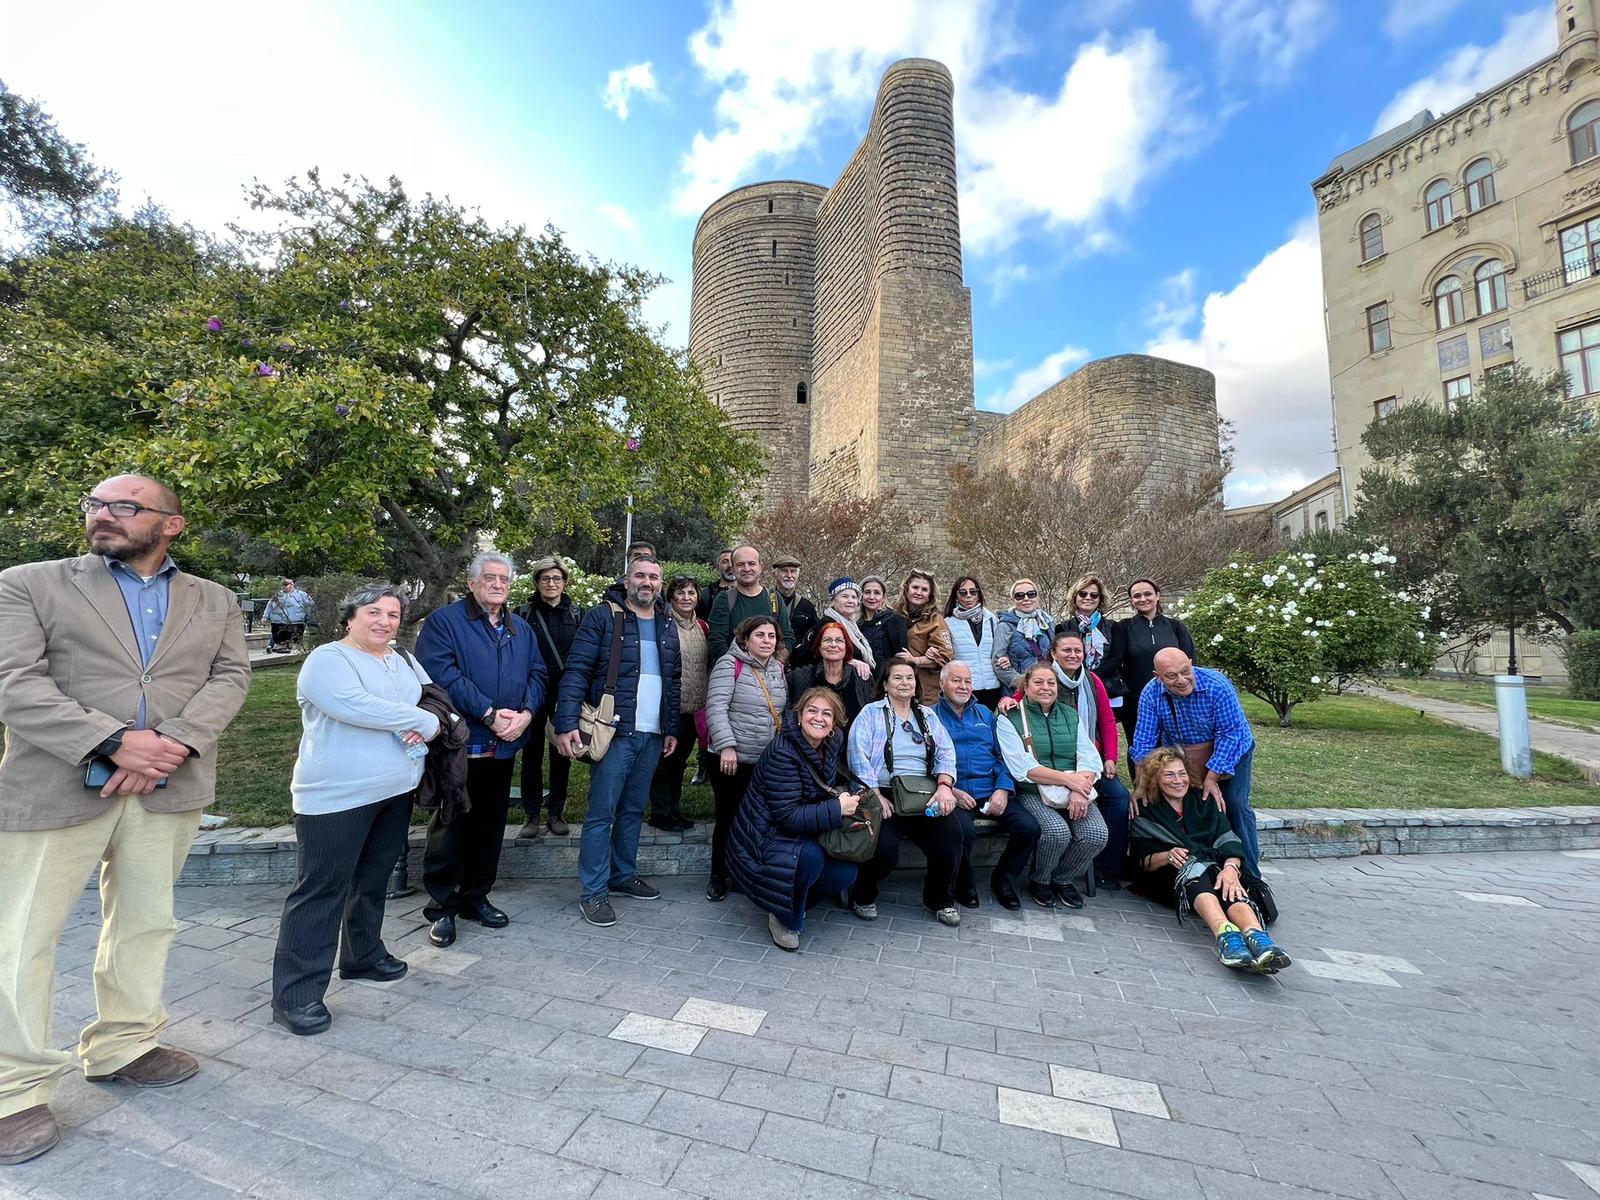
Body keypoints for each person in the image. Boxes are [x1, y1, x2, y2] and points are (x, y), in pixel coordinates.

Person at [0, 475, 250, 1165]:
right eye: (96, 504)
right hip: (53, 785)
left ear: (171, 524)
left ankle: (124, 1044)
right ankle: (13, 1091)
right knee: (22, 937)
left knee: (146, 922)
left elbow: (230, 677)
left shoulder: (216, 599)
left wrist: (170, 744)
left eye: (125, 506)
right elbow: (12, 682)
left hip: (169, 783)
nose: (103, 515)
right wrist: (111, 741)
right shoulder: (28, 583)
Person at [271, 585, 440, 1036]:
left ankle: (363, 956)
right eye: (374, 612)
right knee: (321, 890)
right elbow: (355, 706)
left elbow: (426, 695)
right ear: (350, 617)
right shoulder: (328, 660)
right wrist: (421, 722)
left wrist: (422, 717)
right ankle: (297, 996)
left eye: (393, 614)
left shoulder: (401, 658)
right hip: (337, 797)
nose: (384, 621)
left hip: (395, 789)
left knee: (372, 879)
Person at [415, 553, 548, 948]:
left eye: (504, 579)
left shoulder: (520, 627)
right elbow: (442, 675)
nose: (497, 584)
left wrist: (526, 714)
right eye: (489, 577)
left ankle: (476, 897)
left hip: (503, 745)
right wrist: (489, 714)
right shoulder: (445, 622)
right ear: (471, 583)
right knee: (452, 823)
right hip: (460, 745)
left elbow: (538, 673)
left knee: (490, 823)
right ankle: (442, 907)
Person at [554, 556, 680, 928]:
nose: (647, 582)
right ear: (626, 581)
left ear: (660, 584)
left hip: (652, 735)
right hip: (614, 731)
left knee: (633, 810)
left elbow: (673, 680)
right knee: (601, 814)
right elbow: (576, 670)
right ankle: (593, 892)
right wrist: (565, 723)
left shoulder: (666, 622)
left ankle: (622, 875)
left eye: (654, 577)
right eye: (640, 575)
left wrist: (671, 727)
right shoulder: (603, 618)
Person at [1127, 748, 1290, 973]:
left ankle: (1257, 937)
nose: (1178, 781)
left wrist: (1231, 869)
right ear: (1155, 778)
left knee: (1224, 879)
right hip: (1170, 879)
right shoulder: (1146, 808)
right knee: (1194, 868)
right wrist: (1167, 856)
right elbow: (1140, 862)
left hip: (1215, 871)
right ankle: (1225, 936)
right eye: (1169, 775)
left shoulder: (1203, 799)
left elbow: (1228, 840)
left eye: (1182, 773)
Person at [727, 689, 863, 951]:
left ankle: (792, 899)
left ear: (834, 722)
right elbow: (787, 816)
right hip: (765, 835)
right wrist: (837, 808)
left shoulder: (832, 741)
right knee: (810, 858)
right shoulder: (782, 752)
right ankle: (783, 917)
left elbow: (824, 784)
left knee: (845, 873)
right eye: (812, 711)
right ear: (799, 716)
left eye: (827, 714)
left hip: (804, 825)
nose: (819, 718)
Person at [846, 655, 964, 926]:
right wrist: (875, 795)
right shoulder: (871, 713)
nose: (904, 682)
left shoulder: (927, 715)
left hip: (924, 792)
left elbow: (946, 752)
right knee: (884, 849)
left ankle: (938, 900)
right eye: (897, 677)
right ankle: (862, 894)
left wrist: (945, 786)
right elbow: (857, 755)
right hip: (883, 792)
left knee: (951, 836)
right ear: (885, 684)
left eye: (910, 677)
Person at [1130, 649, 1261, 877]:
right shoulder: (1151, 693)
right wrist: (1141, 784)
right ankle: (1200, 867)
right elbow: (1143, 742)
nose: (1181, 680)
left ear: (1191, 663)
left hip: (1231, 751)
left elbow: (1229, 735)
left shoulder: (1217, 685)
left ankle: (1250, 874)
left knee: (1234, 804)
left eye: (1185, 671)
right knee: (1191, 806)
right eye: (1172, 676)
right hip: (1185, 756)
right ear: (1157, 676)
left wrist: (1212, 778)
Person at [995, 663, 1109, 910]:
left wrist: (1079, 789)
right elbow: (1022, 768)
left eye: (1051, 683)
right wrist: (1069, 780)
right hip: (1033, 791)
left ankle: (1063, 878)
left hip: (1075, 789)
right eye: (1038, 682)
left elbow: (1089, 758)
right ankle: (1041, 879)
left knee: (1097, 834)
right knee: (1056, 832)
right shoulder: (1010, 718)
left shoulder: (1070, 715)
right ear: (1025, 687)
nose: (1045, 687)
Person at [934, 663, 1039, 911]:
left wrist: (1002, 789)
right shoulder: (931, 716)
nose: (963, 686)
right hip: (955, 791)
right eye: (956, 680)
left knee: (1029, 828)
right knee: (962, 832)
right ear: (942, 684)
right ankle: (965, 882)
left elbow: (1004, 756)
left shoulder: (984, 714)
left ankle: (1003, 879)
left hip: (991, 790)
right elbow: (926, 762)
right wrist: (950, 790)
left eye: (968, 681)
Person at [704, 615, 788, 901]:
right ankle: (718, 875)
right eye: (760, 635)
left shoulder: (777, 668)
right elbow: (716, 706)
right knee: (727, 817)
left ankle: (742, 872)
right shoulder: (729, 664)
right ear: (745, 639)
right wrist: (727, 746)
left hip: (764, 760)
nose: (767, 641)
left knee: (755, 819)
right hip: (732, 760)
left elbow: (781, 711)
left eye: (771, 636)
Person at [1046, 630, 1131, 891]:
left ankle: (1106, 866)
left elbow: (1106, 719)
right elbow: (1020, 702)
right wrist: (1008, 700)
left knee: (1118, 797)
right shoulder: (1044, 678)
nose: (1073, 655)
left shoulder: (1092, 681)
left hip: (1090, 760)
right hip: (1055, 762)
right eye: (1066, 650)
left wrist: (1110, 758)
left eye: (1077, 651)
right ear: (1053, 654)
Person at [516, 556, 578, 838]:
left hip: (564, 692)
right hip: (532, 690)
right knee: (531, 755)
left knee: (561, 753)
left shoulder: (577, 614)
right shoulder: (522, 614)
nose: (551, 583)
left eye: (556, 578)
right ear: (537, 582)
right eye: (545, 579)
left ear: (564, 582)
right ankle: (531, 814)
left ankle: (556, 812)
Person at [647, 575, 706, 832]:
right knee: (666, 761)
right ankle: (660, 812)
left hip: (694, 707)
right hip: (671, 706)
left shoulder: (702, 627)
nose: (686, 598)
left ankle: (673, 809)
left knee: (680, 760)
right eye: (680, 593)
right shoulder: (663, 624)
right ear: (671, 596)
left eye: (691, 593)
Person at [1109, 578, 1194, 750]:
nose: (1143, 599)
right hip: (1136, 701)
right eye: (1137, 596)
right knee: (1140, 748)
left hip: (1173, 697)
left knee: (1174, 749)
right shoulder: (1123, 627)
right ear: (1131, 600)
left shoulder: (1175, 627)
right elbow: (1116, 660)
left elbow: (1191, 662)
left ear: (1157, 596)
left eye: (1147, 594)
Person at [707, 544, 794, 663]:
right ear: (733, 569)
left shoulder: (774, 598)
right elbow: (716, 641)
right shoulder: (725, 599)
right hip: (735, 671)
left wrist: (775, 664)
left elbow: (787, 637)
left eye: (752, 563)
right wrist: (740, 669)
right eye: (740, 564)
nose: (747, 569)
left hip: (769, 670)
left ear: (760, 567)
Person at [786, 621, 872, 727]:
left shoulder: (862, 677)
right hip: (813, 736)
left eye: (839, 640)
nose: (833, 645)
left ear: (846, 647)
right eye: (827, 640)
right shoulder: (800, 676)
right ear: (819, 647)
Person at [1057, 574, 1123, 711]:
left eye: (1094, 595)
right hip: (1073, 686)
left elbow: (1117, 657)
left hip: (1107, 687)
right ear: (1075, 597)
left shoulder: (1113, 627)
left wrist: (1095, 676)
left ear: (1100, 599)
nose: (1088, 598)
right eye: (1083, 594)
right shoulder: (1062, 628)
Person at [942, 576, 1005, 709]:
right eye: (963, 592)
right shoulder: (948, 623)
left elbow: (1000, 649)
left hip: (992, 685)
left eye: (973, 592)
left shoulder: (991, 619)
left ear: (978, 594)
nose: (968, 596)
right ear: (956, 596)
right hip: (965, 687)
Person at [896, 570, 953, 705]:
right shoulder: (895, 615)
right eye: (915, 587)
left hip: (926, 690)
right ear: (906, 589)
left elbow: (945, 656)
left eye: (924, 589)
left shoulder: (935, 620)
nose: (919, 592)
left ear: (930, 595)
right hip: (899, 687)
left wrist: (916, 660)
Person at [995, 578, 1054, 690]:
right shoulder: (1005, 626)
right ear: (1013, 600)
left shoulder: (1047, 622)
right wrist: (1022, 682)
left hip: (1048, 685)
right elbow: (998, 663)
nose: (1026, 599)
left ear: (1037, 597)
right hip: (1021, 688)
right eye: (1020, 596)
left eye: (1031, 594)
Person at [771, 553, 817, 657]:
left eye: (793, 571)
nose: (789, 575)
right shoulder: (766, 600)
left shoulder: (807, 606)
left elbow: (815, 634)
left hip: (798, 662)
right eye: (784, 571)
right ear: (775, 574)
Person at [858, 575, 908, 665]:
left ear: (883, 597)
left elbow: (901, 656)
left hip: (886, 672)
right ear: (861, 596)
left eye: (877, 593)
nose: (871, 597)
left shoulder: (894, 620)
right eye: (867, 592)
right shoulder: (857, 624)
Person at [262, 576, 314, 653]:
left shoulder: (302, 595)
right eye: (282, 584)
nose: (284, 586)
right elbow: (269, 606)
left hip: (295, 623)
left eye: (286, 584)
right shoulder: (277, 595)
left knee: (295, 644)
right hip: (278, 623)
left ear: (292, 585)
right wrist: (265, 617)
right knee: (279, 644)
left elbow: (311, 605)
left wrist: (309, 617)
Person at [697, 547, 734, 620]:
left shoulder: (748, 592)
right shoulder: (706, 594)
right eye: (725, 562)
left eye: (733, 561)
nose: (730, 565)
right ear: (717, 567)